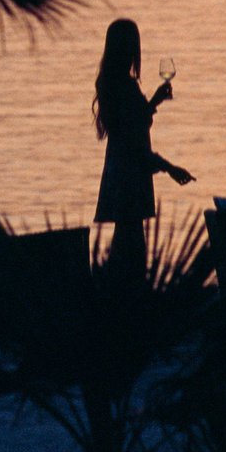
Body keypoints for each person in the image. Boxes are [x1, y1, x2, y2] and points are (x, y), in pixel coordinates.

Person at [93, 18, 195, 276]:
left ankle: (119, 290)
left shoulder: (109, 83)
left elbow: (129, 126)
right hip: (129, 175)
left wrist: (154, 102)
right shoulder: (125, 86)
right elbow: (134, 140)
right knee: (132, 243)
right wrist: (168, 167)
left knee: (125, 237)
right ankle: (130, 296)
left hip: (118, 170)